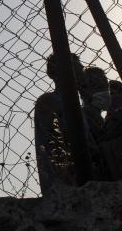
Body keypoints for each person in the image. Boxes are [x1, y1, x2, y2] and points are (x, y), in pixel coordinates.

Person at [32, 53, 84, 193]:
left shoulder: (82, 108)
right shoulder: (49, 100)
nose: (81, 69)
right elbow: (59, 140)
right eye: (76, 66)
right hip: (62, 182)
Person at [80, 67, 110, 142]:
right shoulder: (83, 115)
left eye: (106, 87)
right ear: (83, 91)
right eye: (99, 87)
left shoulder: (106, 119)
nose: (105, 91)